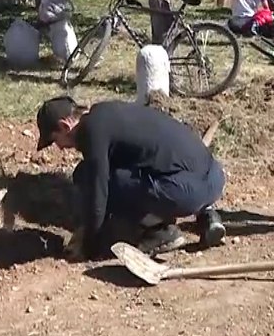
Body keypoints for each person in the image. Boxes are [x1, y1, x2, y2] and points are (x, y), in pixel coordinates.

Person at [35, 96, 226, 259]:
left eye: (54, 140)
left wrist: (90, 246)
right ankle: (206, 212)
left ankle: (159, 231)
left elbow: (98, 192)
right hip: (214, 176)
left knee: (89, 177)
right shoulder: (105, 113)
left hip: (188, 192)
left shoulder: (91, 132)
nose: (59, 147)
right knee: (96, 173)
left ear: (64, 125)